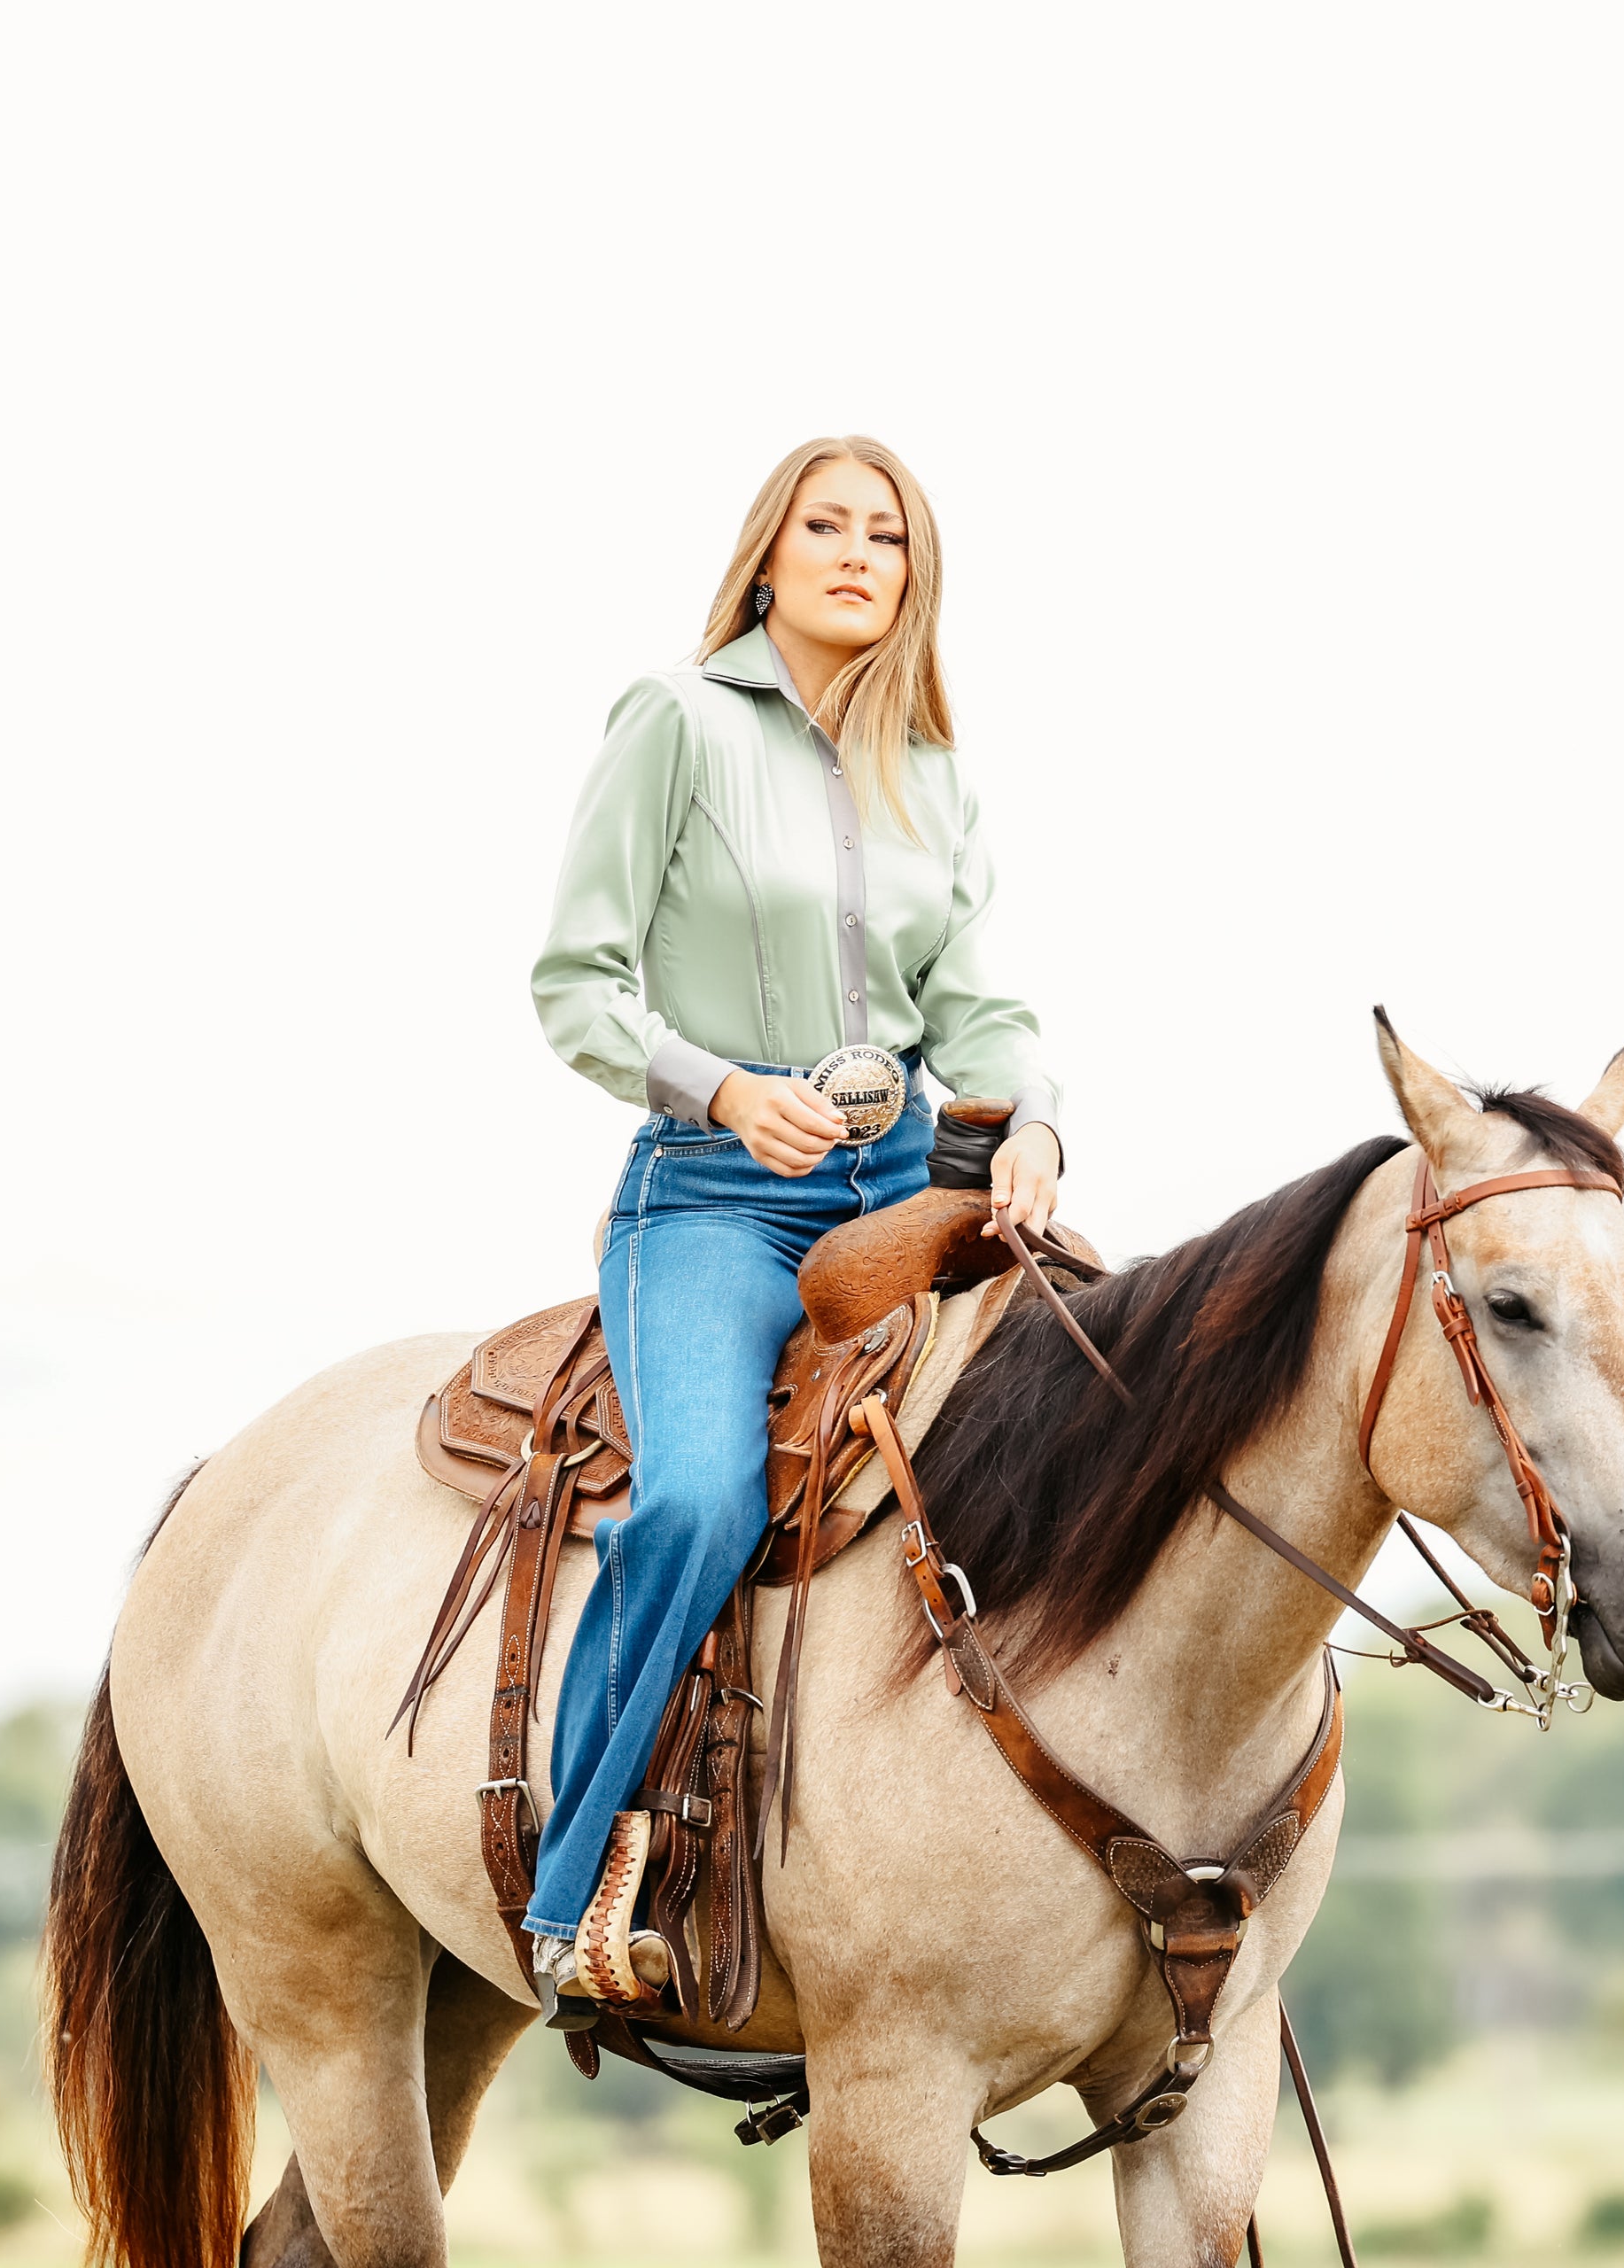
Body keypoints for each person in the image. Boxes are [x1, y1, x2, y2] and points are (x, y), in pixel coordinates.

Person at [523, 436, 1063, 2020]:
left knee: (1101, 1420)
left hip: (904, 1191)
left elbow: (977, 1003)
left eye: (884, 535)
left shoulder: (938, 777)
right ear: (769, 557)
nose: (854, 554)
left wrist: (1029, 1115)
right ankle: (571, 1892)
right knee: (694, 1499)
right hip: (713, 1202)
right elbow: (574, 985)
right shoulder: (675, 723)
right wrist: (719, 1092)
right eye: (823, 526)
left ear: (915, 574)